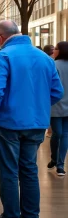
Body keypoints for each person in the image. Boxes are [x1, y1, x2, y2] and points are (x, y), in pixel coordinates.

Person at [0, 20, 63, 218]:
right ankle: (31, 215)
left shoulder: (3, 56)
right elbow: (57, 92)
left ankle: (11, 214)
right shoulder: (45, 58)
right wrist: (38, 106)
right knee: (29, 170)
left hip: (8, 123)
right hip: (36, 124)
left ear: (0, 38)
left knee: (9, 172)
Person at [48, 41, 68, 176]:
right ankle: (60, 165)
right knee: (64, 134)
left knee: (57, 133)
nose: (53, 50)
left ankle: (55, 159)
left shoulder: (53, 65)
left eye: (55, 48)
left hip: (55, 104)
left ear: (60, 51)